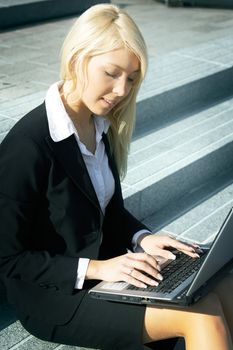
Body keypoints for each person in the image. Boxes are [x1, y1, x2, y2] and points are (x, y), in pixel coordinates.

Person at [0, 4, 232, 350]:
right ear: (78, 58)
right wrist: (96, 268)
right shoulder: (28, 145)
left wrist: (142, 237)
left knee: (224, 282)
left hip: (112, 272)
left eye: (131, 78)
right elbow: (8, 257)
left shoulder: (102, 124)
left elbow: (107, 211)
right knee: (203, 314)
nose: (122, 90)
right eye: (112, 73)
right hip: (58, 298)